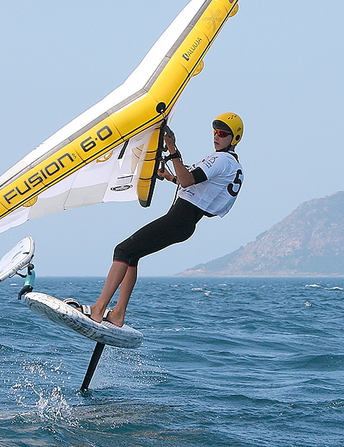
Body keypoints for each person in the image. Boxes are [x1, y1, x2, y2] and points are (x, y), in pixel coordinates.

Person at [83, 113, 244, 327]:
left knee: (122, 250)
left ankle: (98, 308)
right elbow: (193, 183)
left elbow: (187, 181)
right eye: (215, 132)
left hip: (181, 218)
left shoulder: (221, 159)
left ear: (234, 138)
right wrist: (170, 176)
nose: (216, 137)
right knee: (132, 256)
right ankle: (117, 314)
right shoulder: (233, 164)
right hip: (185, 221)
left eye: (223, 133)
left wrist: (172, 148)